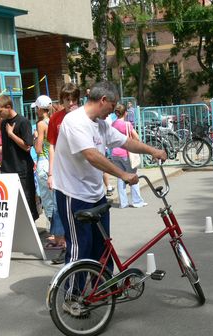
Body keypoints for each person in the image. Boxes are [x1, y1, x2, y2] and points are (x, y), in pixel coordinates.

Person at [53, 81, 166, 313]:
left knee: (103, 246)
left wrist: (153, 151)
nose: (112, 112)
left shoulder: (102, 125)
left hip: (96, 194)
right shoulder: (74, 121)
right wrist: (123, 174)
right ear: (103, 100)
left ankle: (103, 289)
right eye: (112, 107)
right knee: (80, 247)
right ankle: (72, 299)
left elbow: (126, 141)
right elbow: (91, 155)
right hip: (73, 194)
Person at [46, 83, 81, 260]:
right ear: (62, 101)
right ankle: (67, 246)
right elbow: (51, 146)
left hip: (81, 171)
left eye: (74, 99)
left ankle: (81, 248)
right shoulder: (56, 119)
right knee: (62, 211)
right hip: (62, 171)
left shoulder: (84, 116)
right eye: (67, 100)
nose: (71, 103)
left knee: (80, 211)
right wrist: (51, 173)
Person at [0, 94, 38, 221]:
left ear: (8, 107)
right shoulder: (4, 123)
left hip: (22, 169)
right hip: (8, 169)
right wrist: (2, 166)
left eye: (0, 111)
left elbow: (27, 147)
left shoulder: (23, 122)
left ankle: (31, 227)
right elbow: (7, 147)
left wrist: (11, 134)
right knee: (12, 203)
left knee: (27, 200)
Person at [31, 95, 60, 251]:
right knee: (55, 200)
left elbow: (38, 148)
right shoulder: (53, 121)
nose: (35, 110)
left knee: (48, 202)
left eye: (36, 108)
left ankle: (55, 235)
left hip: (43, 163)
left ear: (40, 109)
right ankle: (59, 234)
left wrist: (35, 137)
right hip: (53, 163)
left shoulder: (41, 124)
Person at [111, 103, 146, 208]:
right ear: (125, 113)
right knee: (133, 176)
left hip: (115, 153)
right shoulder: (127, 124)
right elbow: (137, 137)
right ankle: (137, 201)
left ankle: (123, 203)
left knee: (120, 177)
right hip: (126, 153)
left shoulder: (113, 124)